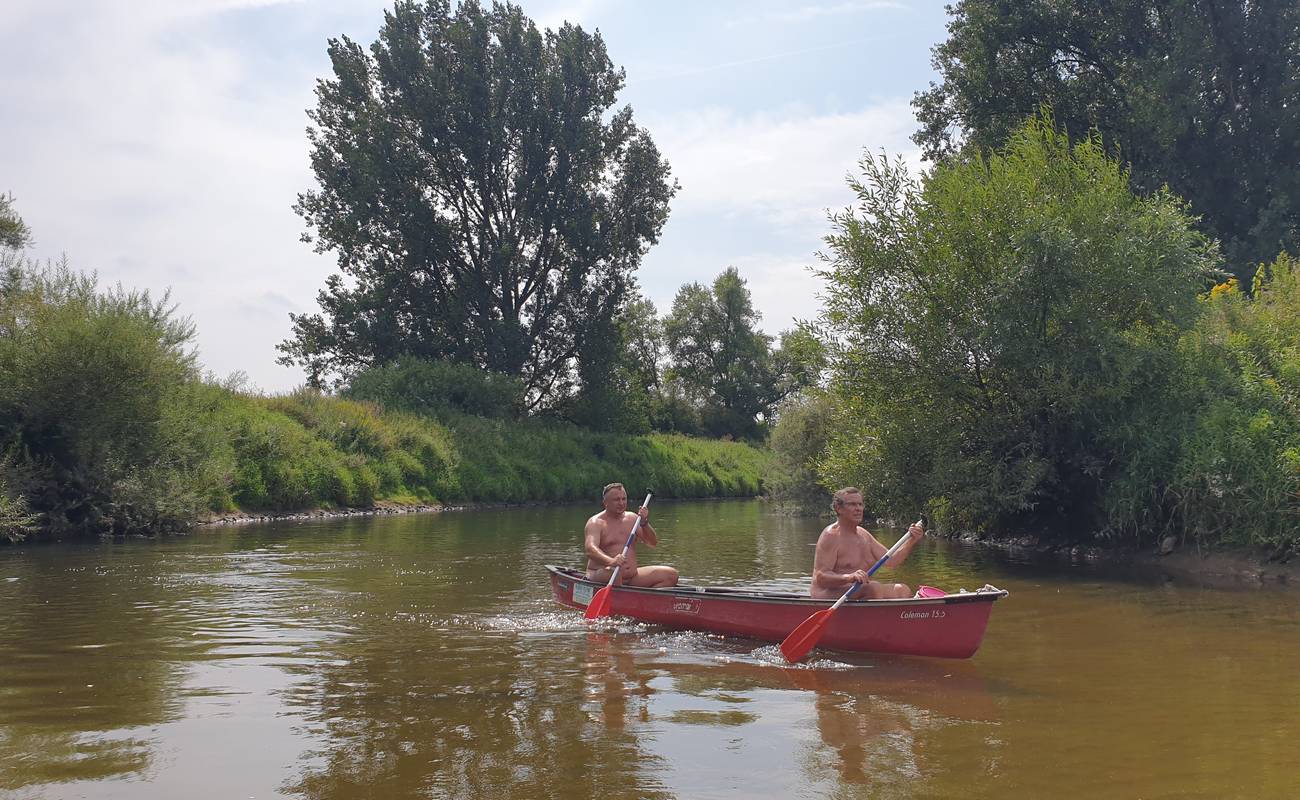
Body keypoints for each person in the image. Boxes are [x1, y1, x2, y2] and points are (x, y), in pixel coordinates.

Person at [810, 487, 924, 600]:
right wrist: (850, 577)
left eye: (860, 504)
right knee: (873, 588)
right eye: (852, 504)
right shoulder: (831, 535)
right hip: (826, 595)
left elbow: (892, 561)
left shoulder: (864, 535)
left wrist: (911, 540)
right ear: (839, 508)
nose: (858, 508)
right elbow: (821, 578)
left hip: (857, 590)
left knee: (902, 589)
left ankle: (903, 617)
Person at [584, 483, 678, 588]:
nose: (621, 503)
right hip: (603, 574)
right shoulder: (596, 522)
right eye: (616, 500)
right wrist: (611, 561)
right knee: (614, 574)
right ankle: (620, 600)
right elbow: (590, 550)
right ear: (605, 502)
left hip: (632, 577)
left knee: (671, 575)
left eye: (624, 499)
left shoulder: (633, 519)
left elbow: (653, 543)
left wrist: (644, 523)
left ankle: (644, 602)